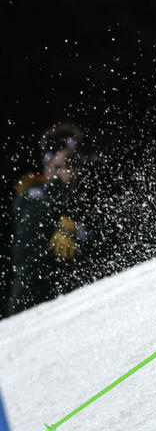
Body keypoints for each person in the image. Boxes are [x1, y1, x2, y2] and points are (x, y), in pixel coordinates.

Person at [5, 123, 101, 317]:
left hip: (73, 304)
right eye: (69, 163)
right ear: (51, 166)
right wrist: (58, 186)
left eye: (77, 162)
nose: (74, 170)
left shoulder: (83, 201)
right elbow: (26, 256)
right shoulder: (34, 196)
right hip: (35, 307)